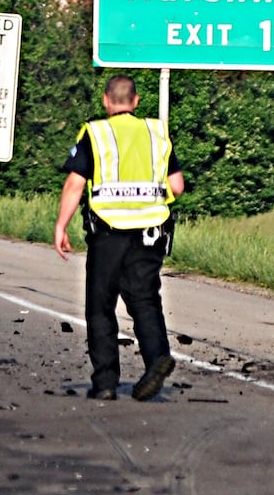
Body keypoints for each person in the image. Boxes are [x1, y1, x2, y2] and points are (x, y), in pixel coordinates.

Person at [53, 73, 187, 401]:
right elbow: (178, 185)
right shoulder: (155, 133)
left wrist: (61, 225)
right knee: (144, 300)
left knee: (101, 306)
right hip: (149, 233)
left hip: (108, 233)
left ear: (106, 100)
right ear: (136, 101)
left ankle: (106, 383)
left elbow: (75, 183)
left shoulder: (96, 133)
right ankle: (157, 359)